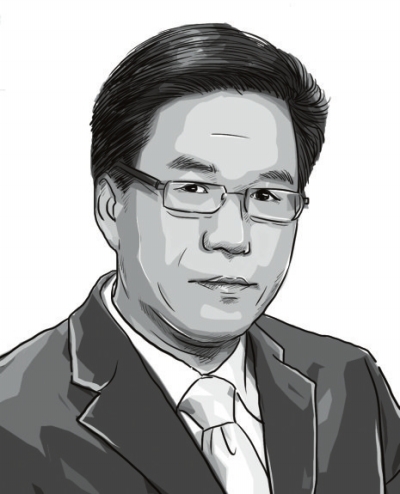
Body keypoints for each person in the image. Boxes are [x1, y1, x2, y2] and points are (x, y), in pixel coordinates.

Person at [0, 23, 399, 494]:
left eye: (266, 195)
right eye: (192, 189)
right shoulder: (14, 420)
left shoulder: (348, 384)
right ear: (111, 207)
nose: (233, 238)